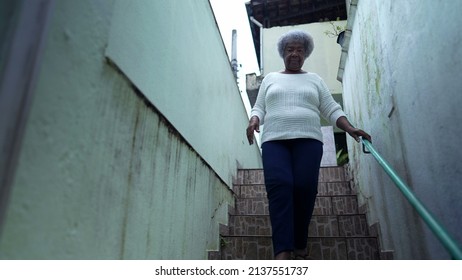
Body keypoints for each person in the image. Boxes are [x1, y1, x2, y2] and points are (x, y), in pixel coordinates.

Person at [246, 30, 371, 260]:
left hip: (308, 141)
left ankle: (300, 240)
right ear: (283, 52)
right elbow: (260, 107)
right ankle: (282, 250)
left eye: (300, 50)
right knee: (280, 187)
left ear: (306, 54)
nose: (295, 53)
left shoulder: (314, 80)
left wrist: (350, 128)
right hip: (274, 141)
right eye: (290, 49)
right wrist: (254, 119)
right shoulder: (271, 79)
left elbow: (331, 109)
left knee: (305, 188)